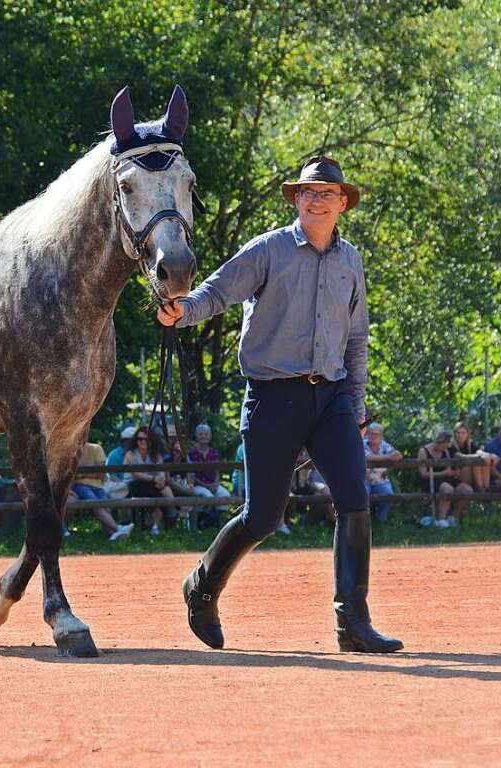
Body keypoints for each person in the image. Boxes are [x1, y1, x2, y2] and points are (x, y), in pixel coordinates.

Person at [158, 155, 403, 652]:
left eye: (326, 193)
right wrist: (181, 313)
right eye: (307, 192)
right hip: (273, 396)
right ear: (297, 199)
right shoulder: (268, 250)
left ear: (342, 204)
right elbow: (218, 292)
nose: (316, 199)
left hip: (331, 396)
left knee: (355, 501)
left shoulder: (350, 260)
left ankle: (351, 623)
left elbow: (357, 339)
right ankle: (202, 588)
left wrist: (355, 405)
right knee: (262, 517)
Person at [71, 441, 136, 541]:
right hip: (80, 486)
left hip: (98, 485)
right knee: (96, 504)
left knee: (106, 506)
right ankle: (118, 529)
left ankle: (113, 534)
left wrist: (83, 475)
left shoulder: (96, 448)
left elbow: (101, 473)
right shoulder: (70, 450)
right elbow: (73, 474)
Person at [124, 426, 176, 535]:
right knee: (160, 492)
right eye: (139, 439)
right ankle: (172, 512)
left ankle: (155, 525)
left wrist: (161, 479)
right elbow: (136, 474)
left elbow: (161, 470)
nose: (142, 442)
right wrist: (155, 479)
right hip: (133, 484)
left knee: (160, 489)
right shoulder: (130, 454)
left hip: (153, 484)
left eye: (145, 439)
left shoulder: (156, 454)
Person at [418, 431, 472, 528]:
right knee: (447, 489)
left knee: (467, 490)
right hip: (431, 480)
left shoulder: (447, 450)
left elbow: (452, 467)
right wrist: (443, 473)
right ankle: (441, 521)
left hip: (447, 479)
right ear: (438, 442)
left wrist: (455, 473)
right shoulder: (424, 451)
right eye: (443, 446)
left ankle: (453, 518)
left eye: (447, 446)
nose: (445, 448)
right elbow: (423, 474)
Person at [187, 423, 231, 528]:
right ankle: (202, 524)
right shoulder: (191, 453)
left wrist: (216, 484)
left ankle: (214, 522)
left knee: (225, 495)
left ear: (210, 436)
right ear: (197, 436)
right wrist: (206, 486)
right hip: (198, 485)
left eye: (206, 434)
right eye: (201, 434)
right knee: (209, 497)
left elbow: (217, 471)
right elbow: (191, 475)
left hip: (212, 484)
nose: (204, 437)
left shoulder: (214, 453)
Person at [364, 422, 402, 522]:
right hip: (363, 481)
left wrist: (395, 455)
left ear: (381, 435)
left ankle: (380, 521)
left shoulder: (384, 445)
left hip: (381, 481)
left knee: (388, 495)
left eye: (377, 434)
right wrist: (387, 457)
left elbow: (398, 455)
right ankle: (363, 522)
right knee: (361, 498)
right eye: (372, 433)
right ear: (367, 434)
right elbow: (367, 458)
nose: (374, 436)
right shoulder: (361, 444)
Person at [449, 422, 498, 493]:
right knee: (477, 461)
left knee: (483, 460)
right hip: (459, 478)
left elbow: (480, 452)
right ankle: (481, 489)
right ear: (454, 434)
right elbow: (461, 456)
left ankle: (486, 487)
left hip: (472, 477)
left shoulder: (470, 444)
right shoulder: (451, 446)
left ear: (467, 434)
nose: (460, 435)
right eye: (458, 433)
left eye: (463, 433)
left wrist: (489, 455)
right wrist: (477, 456)